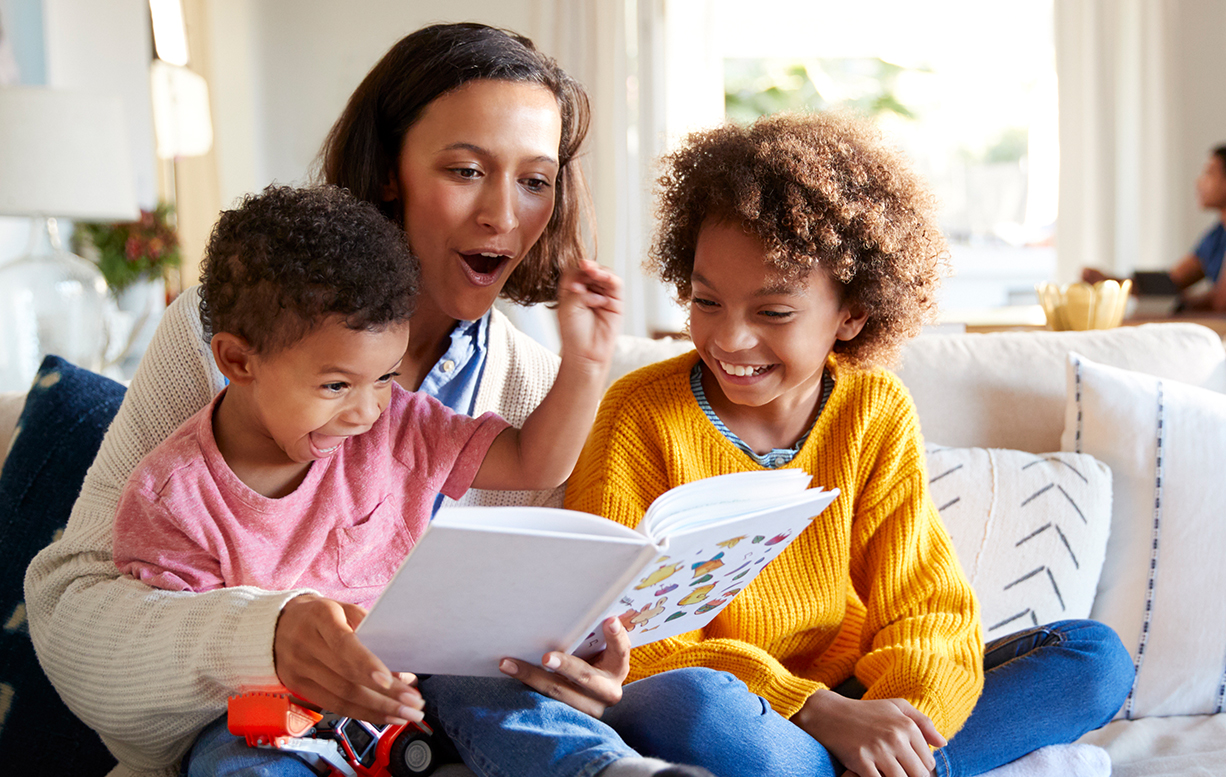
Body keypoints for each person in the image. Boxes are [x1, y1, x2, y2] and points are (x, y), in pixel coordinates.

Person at [23, 23, 633, 777]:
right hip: (260, 734)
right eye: (468, 170)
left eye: (535, 180)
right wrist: (263, 637)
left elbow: (548, 624)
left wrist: (582, 661)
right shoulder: (224, 335)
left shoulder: (542, 395)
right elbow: (72, 618)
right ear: (388, 171)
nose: (504, 216)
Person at [563, 113, 1136, 777]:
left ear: (852, 313)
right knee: (690, 705)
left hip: (855, 697)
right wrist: (816, 712)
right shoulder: (639, 413)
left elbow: (925, 609)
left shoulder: (872, 407)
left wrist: (891, 721)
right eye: (706, 300)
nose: (729, 338)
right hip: (731, 702)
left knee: (1093, 657)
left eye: (773, 312)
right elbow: (623, 635)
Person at [1082, 144, 1226, 312]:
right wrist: (1113, 283)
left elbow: (1220, 302)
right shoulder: (1217, 236)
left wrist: (1174, 306)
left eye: (1209, 173)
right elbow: (1171, 283)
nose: (1199, 182)